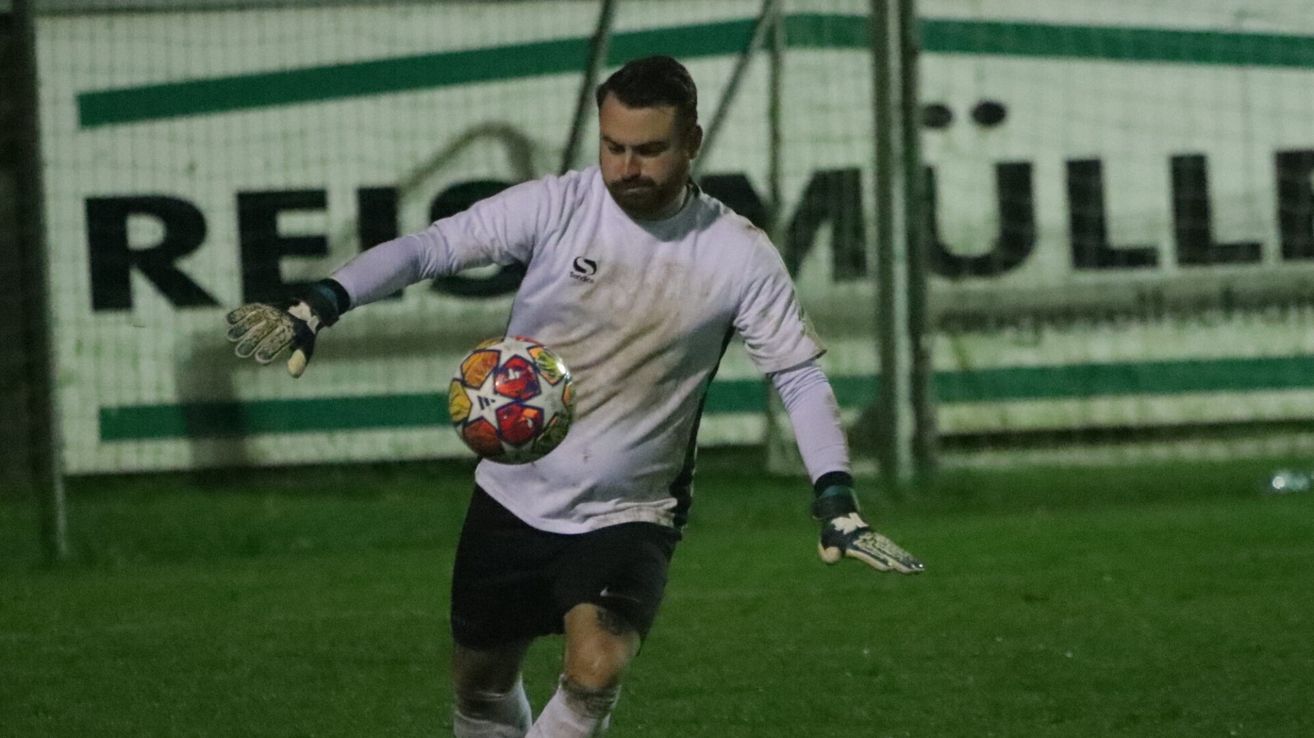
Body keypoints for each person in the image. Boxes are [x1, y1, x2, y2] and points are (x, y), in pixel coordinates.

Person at [226, 55, 922, 738]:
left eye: (649, 150)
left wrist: (835, 498)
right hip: (511, 497)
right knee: (480, 684)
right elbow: (430, 248)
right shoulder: (559, 205)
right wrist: (320, 305)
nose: (626, 167)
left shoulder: (736, 254)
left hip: (631, 508)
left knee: (594, 673)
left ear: (692, 144)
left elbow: (797, 375)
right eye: (613, 146)